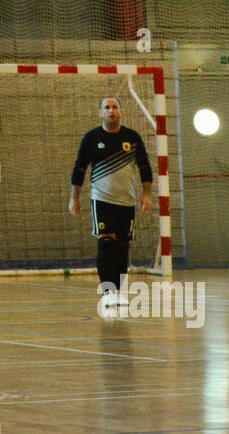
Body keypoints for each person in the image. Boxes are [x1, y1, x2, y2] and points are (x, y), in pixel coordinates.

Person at [69, 97, 152, 314]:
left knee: (122, 246)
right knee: (106, 243)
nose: (111, 111)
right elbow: (79, 169)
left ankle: (118, 291)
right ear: (100, 113)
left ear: (121, 112)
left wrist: (147, 195)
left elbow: (145, 167)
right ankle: (107, 292)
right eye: (107, 107)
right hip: (101, 200)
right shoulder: (91, 138)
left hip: (126, 201)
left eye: (115, 107)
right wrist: (74, 198)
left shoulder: (132, 138)